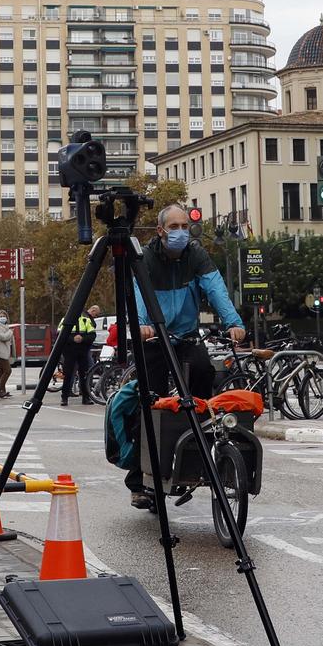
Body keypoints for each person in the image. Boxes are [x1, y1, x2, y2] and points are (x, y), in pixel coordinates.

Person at [128, 202, 247, 507]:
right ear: (160, 231)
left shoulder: (195, 254)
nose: (181, 233)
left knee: (204, 376)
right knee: (149, 400)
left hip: (186, 334)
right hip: (154, 335)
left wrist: (234, 322)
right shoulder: (145, 257)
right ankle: (139, 477)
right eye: (174, 227)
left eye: (185, 227)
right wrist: (142, 325)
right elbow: (139, 292)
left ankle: (199, 451)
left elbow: (216, 288)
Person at [60, 305, 100, 406]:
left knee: (84, 375)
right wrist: (73, 338)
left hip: (82, 351)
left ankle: (85, 397)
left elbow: (92, 335)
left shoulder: (86, 320)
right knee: (68, 374)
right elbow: (60, 335)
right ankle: (64, 397)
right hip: (69, 351)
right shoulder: (65, 320)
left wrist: (82, 338)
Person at [0, 309, 16, 395]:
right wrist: (10, 332)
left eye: (4, 316)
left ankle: (2, 391)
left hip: (6, 352)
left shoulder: (7, 327)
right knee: (8, 370)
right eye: (1, 316)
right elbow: (3, 337)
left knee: (2, 371)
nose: (2, 318)